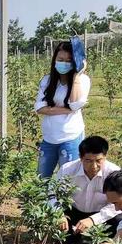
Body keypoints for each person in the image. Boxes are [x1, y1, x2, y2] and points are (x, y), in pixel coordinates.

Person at [49, 135, 122, 241]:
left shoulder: (113, 173)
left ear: (105, 157)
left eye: (98, 161)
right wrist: (59, 214)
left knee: (119, 220)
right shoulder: (67, 170)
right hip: (73, 211)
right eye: (88, 160)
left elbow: (118, 202)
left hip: (101, 213)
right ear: (80, 157)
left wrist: (93, 220)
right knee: (63, 238)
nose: (94, 166)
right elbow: (52, 193)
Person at [35, 41, 91, 178]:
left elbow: (75, 104)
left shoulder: (82, 80)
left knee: (68, 182)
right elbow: (39, 107)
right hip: (49, 138)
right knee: (42, 179)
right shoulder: (47, 81)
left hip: (70, 138)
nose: (64, 63)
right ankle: (47, 201)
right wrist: (66, 110)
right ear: (54, 60)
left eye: (68, 60)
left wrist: (77, 75)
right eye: (60, 60)